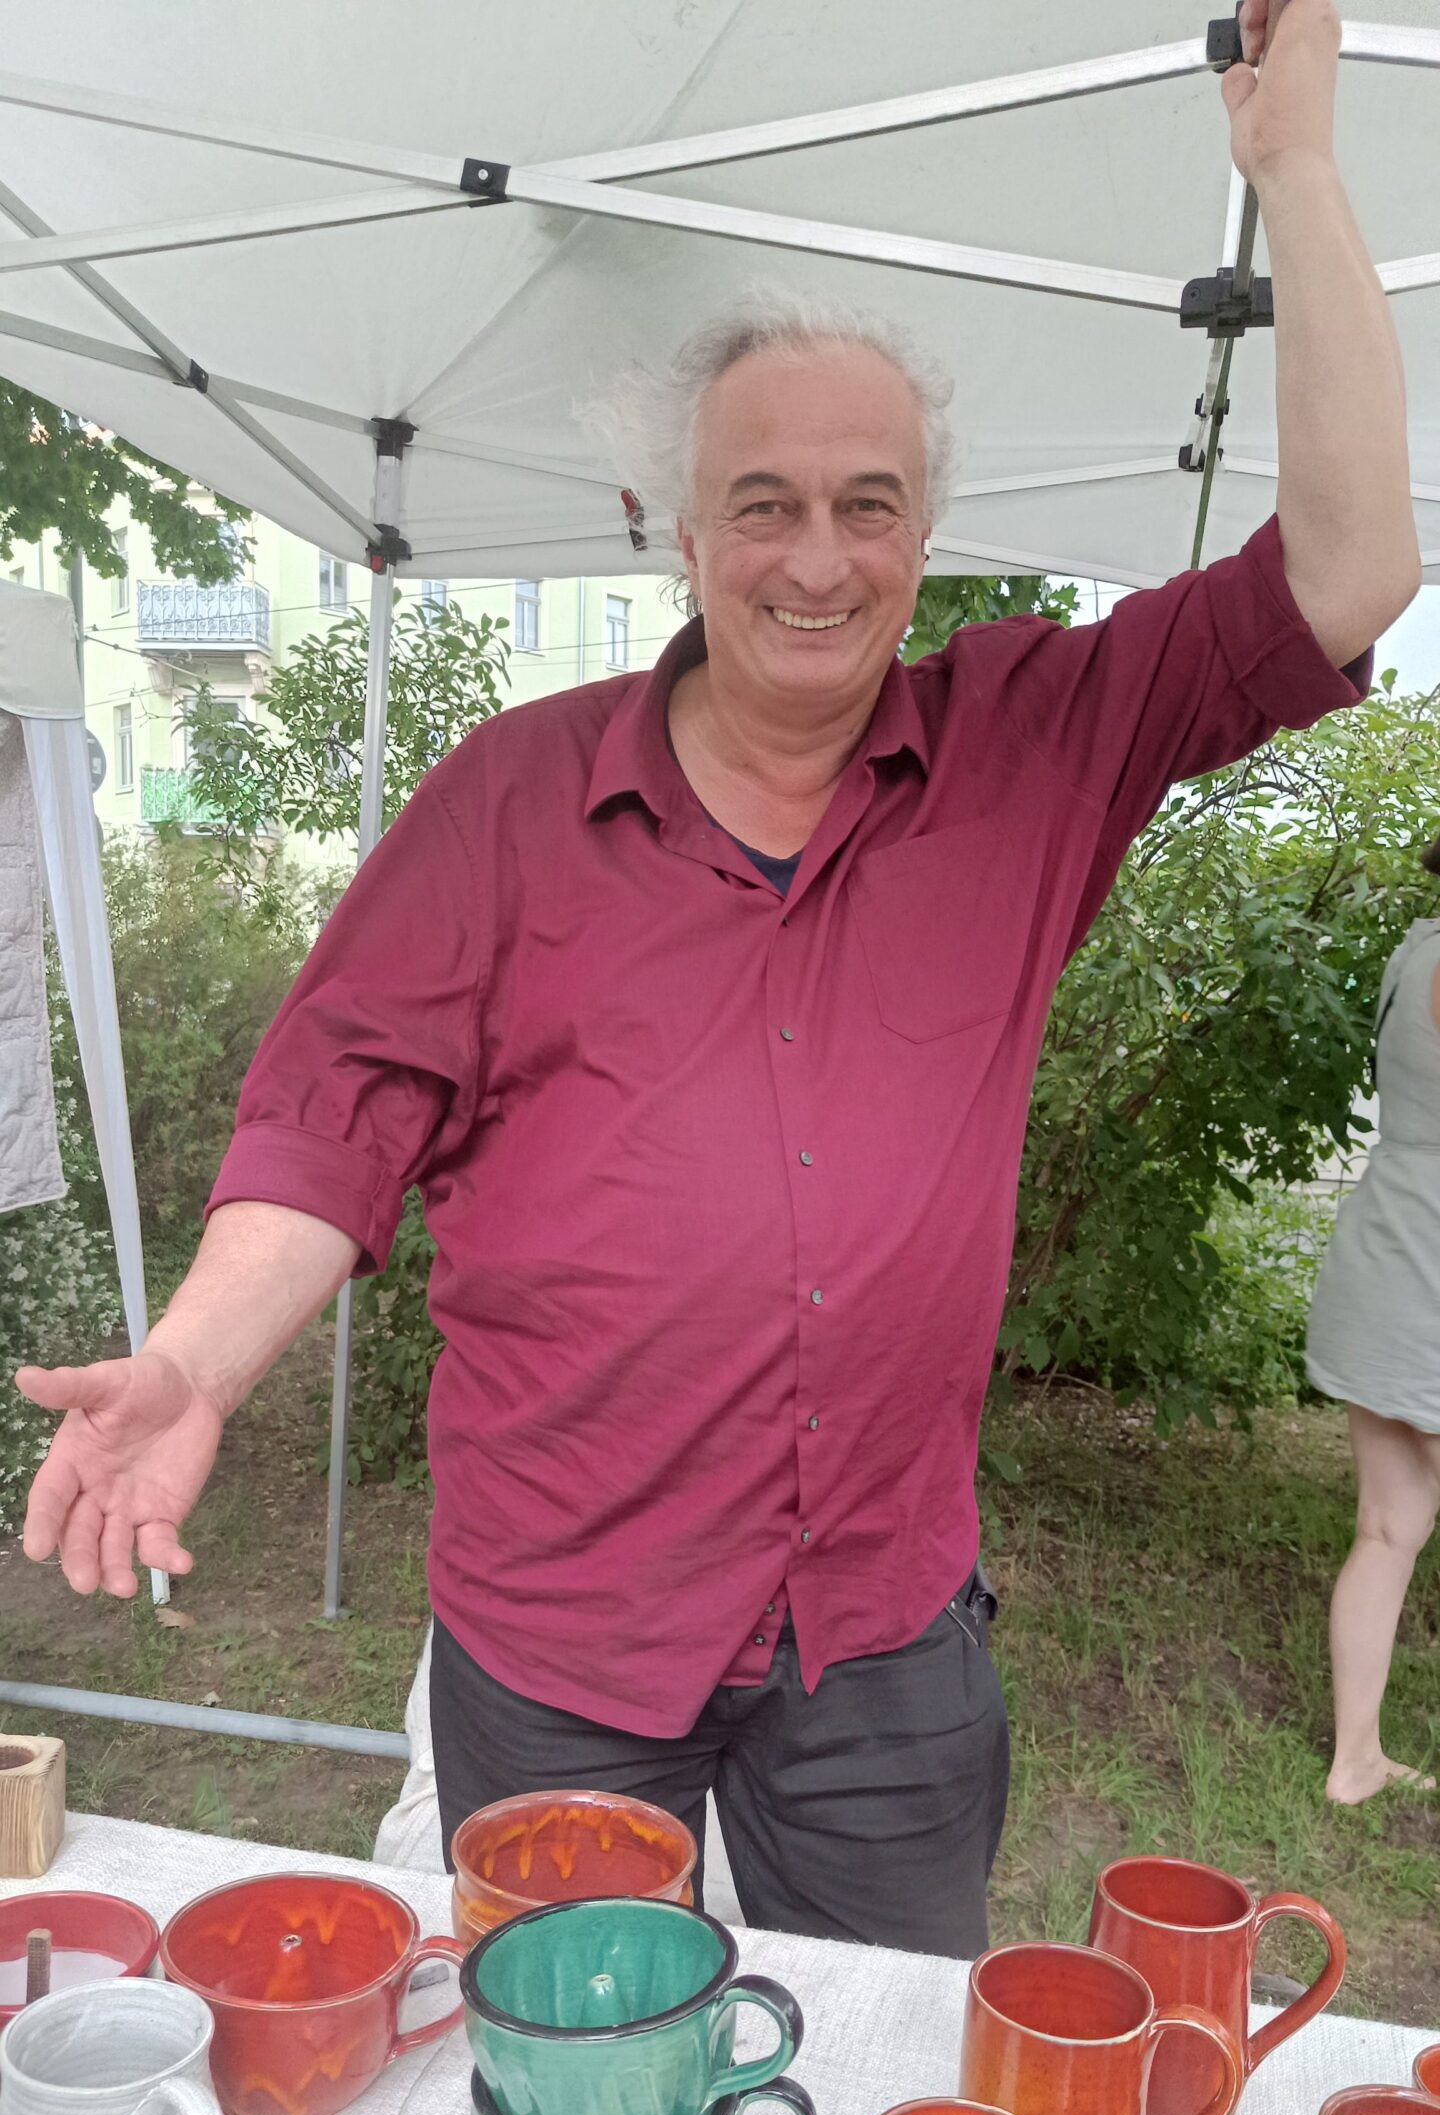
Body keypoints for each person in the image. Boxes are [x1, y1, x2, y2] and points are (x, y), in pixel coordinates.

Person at [16, 0, 1418, 1956]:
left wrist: (1301, 176)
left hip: (882, 1636)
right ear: (675, 528)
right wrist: (195, 1360)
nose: (818, 557)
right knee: (557, 2066)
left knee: (873, 2097)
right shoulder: (506, 803)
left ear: (928, 531)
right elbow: (334, 1113)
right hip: (562, 1629)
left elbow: (1348, 574)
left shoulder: (1041, 739)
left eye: (870, 504)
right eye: (764, 503)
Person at [1305, 844, 1440, 1804]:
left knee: (1389, 1525)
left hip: (1387, 1246)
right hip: (1429, 1267)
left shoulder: (1413, 951)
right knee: (1389, 1525)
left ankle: (1355, 1762)